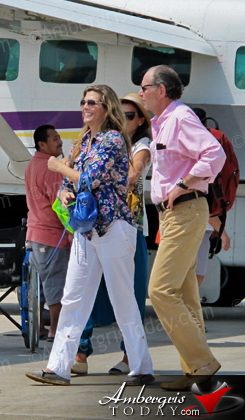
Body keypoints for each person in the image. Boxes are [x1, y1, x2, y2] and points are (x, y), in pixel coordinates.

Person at [25, 85, 154, 386]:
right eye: (83, 101)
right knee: (72, 299)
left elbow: (89, 177)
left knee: (123, 300)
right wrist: (66, 191)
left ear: (105, 108)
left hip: (113, 228)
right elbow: (74, 182)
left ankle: (141, 366)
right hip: (87, 231)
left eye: (92, 102)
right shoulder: (84, 140)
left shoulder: (112, 140)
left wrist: (58, 167)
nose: (85, 106)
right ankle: (58, 367)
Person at [139, 65, 225, 391]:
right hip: (176, 215)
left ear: (161, 90)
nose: (141, 92)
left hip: (184, 212)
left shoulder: (179, 118)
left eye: (145, 86)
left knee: (160, 291)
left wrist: (183, 184)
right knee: (186, 295)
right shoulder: (164, 122)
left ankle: (202, 363)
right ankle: (195, 370)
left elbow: (212, 154)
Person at [71, 93, 153, 376]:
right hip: (94, 225)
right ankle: (80, 354)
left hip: (130, 226)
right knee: (86, 294)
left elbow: (131, 174)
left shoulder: (139, 145)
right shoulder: (95, 141)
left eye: (132, 116)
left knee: (131, 293)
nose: (126, 120)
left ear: (141, 120)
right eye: (124, 114)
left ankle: (131, 357)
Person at [25, 124, 71, 343]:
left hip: (34, 234)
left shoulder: (32, 164)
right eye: (55, 139)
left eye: (59, 136)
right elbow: (61, 205)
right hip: (52, 235)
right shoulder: (52, 168)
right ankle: (55, 330)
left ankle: (39, 328)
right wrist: (71, 232)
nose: (60, 141)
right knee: (55, 285)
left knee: (39, 286)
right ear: (42, 144)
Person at [190, 108, 231, 288]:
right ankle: (188, 310)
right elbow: (206, 209)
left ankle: (188, 310)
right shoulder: (209, 146)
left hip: (187, 226)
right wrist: (223, 234)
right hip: (196, 227)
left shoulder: (187, 147)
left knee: (193, 272)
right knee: (197, 273)